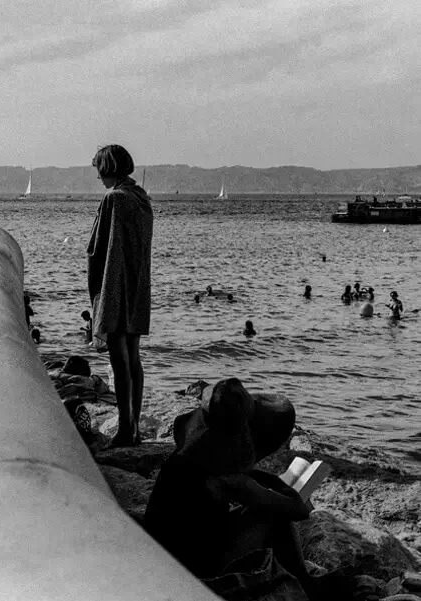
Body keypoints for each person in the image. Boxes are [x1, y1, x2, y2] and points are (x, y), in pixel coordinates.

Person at [145, 379, 359, 600]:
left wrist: (268, 481)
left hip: (164, 553)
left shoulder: (197, 449)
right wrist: (286, 488)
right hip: (191, 569)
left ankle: (298, 578)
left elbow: (240, 478)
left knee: (260, 510)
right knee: (273, 517)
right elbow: (297, 510)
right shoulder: (230, 479)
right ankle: (306, 583)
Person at [87, 144, 153, 447]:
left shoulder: (114, 199)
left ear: (107, 168)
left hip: (116, 286)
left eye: (100, 169)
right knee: (133, 358)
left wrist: (99, 295)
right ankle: (134, 425)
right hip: (137, 284)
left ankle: (126, 430)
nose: (99, 177)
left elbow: (100, 248)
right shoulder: (141, 198)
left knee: (118, 359)